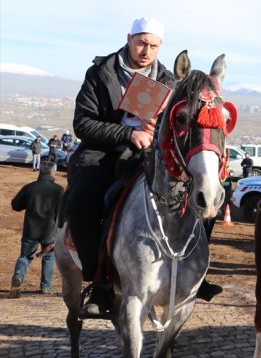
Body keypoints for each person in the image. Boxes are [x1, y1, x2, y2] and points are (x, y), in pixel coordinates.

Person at [63, 16, 175, 318]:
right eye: (141, 43)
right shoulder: (101, 73)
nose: (146, 50)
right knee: (82, 201)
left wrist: (157, 127)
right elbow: (82, 123)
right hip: (101, 154)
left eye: (153, 45)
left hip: (148, 156)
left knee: (194, 197)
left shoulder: (167, 80)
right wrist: (128, 133)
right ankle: (98, 281)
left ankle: (191, 275)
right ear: (129, 38)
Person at [10, 161, 64, 298]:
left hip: (30, 230)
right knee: (49, 257)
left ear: (40, 172)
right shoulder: (58, 190)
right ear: (53, 173)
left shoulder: (29, 188)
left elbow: (15, 205)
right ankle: (46, 287)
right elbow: (62, 213)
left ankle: (18, 277)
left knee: (25, 256)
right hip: (49, 230)